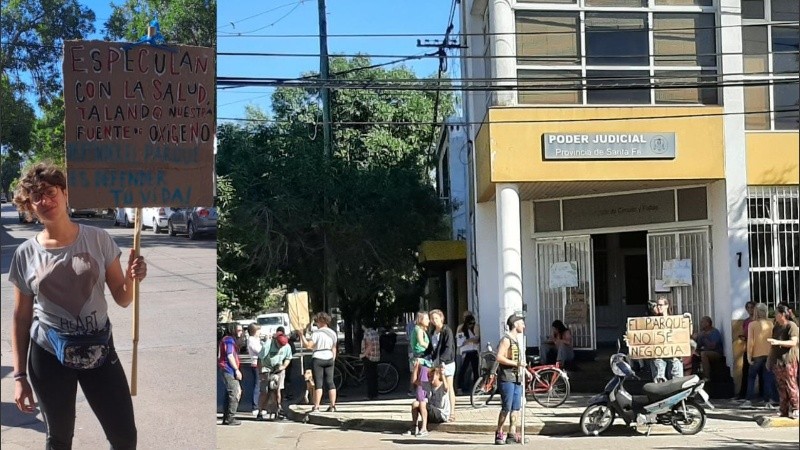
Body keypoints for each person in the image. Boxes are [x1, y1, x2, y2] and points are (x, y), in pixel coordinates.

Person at [8, 162, 147, 448]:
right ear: (29, 205)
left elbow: (123, 298)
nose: (44, 200)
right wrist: (19, 376)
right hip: (48, 356)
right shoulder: (25, 253)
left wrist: (133, 278)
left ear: (65, 192)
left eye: (49, 191)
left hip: (100, 350)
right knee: (58, 440)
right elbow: (21, 318)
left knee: (124, 437)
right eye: (36, 196)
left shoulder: (98, 239)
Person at [494, 314, 531, 445]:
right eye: (522, 323)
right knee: (506, 407)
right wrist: (517, 365)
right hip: (507, 378)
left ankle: (512, 433)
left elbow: (518, 360)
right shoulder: (506, 339)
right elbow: (499, 357)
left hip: (517, 378)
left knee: (516, 407)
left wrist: (525, 370)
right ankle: (499, 432)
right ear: (515, 324)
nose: (524, 326)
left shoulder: (517, 340)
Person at [298, 312, 338, 412]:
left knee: (318, 383)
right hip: (329, 357)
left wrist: (301, 335)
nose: (316, 323)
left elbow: (308, 346)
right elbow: (334, 347)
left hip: (318, 357)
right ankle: (333, 405)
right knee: (330, 382)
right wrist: (332, 358)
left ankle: (316, 406)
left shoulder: (317, 333)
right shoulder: (333, 333)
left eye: (317, 321)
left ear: (320, 321)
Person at [767, 304, 799, 419]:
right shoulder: (776, 327)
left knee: (791, 384)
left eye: (776, 313)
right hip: (777, 361)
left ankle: (796, 408)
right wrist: (769, 359)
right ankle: (783, 409)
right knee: (781, 386)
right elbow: (772, 346)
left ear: (782, 314)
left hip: (788, 360)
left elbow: (793, 342)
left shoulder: (791, 326)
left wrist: (778, 342)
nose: (774, 316)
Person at [742, 303, 777, 408]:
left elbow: (750, 342)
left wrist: (749, 356)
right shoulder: (771, 324)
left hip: (756, 355)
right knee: (767, 378)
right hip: (768, 354)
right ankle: (768, 401)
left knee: (751, 377)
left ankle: (748, 400)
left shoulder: (752, 324)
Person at [425, 309, 457, 422]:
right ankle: (441, 408)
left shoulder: (446, 330)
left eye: (436, 318)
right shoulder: (433, 331)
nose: (434, 321)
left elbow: (448, 347)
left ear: (441, 318)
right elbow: (430, 348)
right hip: (436, 363)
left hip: (446, 362)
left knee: (448, 386)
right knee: (438, 387)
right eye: (432, 319)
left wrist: (442, 360)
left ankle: (452, 412)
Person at [405, 366, 450, 437]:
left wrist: (443, 374)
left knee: (423, 403)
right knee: (415, 403)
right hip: (432, 412)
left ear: (438, 376)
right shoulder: (428, 384)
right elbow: (414, 381)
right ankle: (414, 427)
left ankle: (424, 429)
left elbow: (446, 388)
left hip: (441, 414)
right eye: (429, 376)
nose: (430, 378)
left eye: (432, 376)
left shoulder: (442, 385)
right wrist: (415, 368)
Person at [257, 330, 292, 420]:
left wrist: (283, 366)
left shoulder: (287, 346)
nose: (280, 347)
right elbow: (260, 359)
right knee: (265, 391)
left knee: (277, 391)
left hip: (278, 369)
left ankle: (275, 411)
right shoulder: (267, 345)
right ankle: (260, 411)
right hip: (267, 368)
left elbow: (288, 358)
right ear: (276, 341)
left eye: (282, 346)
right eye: (279, 345)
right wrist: (261, 373)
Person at [647, 297, 683, 381]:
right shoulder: (652, 320)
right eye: (657, 305)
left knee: (675, 377)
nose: (659, 307)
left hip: (672, 353)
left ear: (666, 306)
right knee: (659, 378)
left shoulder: (674, 320)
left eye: (661, 305)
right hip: (658, 354)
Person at [218, 323, 244, 426]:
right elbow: (229, 355)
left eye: (241, 330)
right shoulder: (229, 340)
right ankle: (230, 417)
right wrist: (236, 370)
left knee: (229, 393)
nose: (240, 332)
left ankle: (227, 417)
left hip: (226, 369)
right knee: (235, 392)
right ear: (233, 330)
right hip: (228, 369)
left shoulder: (227, 339)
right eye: (238, 330)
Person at [693, 316, 724, 381]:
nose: (700, 324)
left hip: (716, 352)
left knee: (704, 354)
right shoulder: (702, 333)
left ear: (707, 323)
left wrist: (705, 337)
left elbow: (712, 346)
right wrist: (695, 339)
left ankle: (706, 377)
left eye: (702, 322)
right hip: (706, 351)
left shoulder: (715, 332)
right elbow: (698, 346)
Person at [735, 301, 756, 400]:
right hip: (747, 347)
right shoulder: (746, 321)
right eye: (748, 308)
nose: (750, 310)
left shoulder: (757, 321)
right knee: (745, 371)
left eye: (752, 307)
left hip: (758, 348)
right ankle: (743, 393)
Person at [409, 311, 432, 397]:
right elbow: (421, 342)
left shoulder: (420, 329)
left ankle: (422, 395)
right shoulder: (418, 330)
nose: (428, 321)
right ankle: (421, 397)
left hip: (421, 355)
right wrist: (431, 348)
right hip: (421, 356)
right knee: (423, 378)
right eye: (426, 318)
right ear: (421, 319)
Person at [456, 313, 480, 394]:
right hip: (465, 351)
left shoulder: (476, 327)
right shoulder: (461, 327)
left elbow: (476, 339)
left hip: (473, 350)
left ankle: (475, 387)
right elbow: (459, 340)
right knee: (463, 369)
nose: (471, 325)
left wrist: (468, 341)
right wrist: (469, 340)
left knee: (475, 369)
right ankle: (460, 387)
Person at [360, 319, 381, 400]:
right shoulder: (375, 332)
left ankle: (370, 395)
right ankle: (375, 394)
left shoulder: (367, 333)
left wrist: (363, 355)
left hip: (369, 357)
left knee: (369, 377)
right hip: (376, 356)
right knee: (374, 376)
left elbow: (369, 345)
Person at [246, 323, 263, 414]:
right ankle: (255, 406)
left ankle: (258, 405)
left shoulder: (256, 339)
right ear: (254, 331)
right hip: (256, 363)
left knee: (259, 385)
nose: (260, 332)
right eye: (259, 330)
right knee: (257, 385)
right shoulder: (252, 340)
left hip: (259, 363)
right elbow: (259, 351)